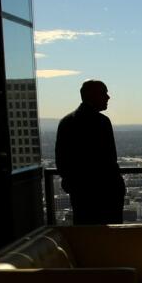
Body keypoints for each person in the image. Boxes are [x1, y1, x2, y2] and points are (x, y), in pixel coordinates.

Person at [55, 79, 125, 224]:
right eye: (104, 93)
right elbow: (109, 160)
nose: (108, 97)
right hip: (106, 194)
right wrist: (117, 187)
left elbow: (61, 160)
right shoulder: (101, 122)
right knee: (110, 238)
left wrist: (74, 186)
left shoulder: (66, 122)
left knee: (87, 236)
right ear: (93, 95)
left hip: (80, 195)